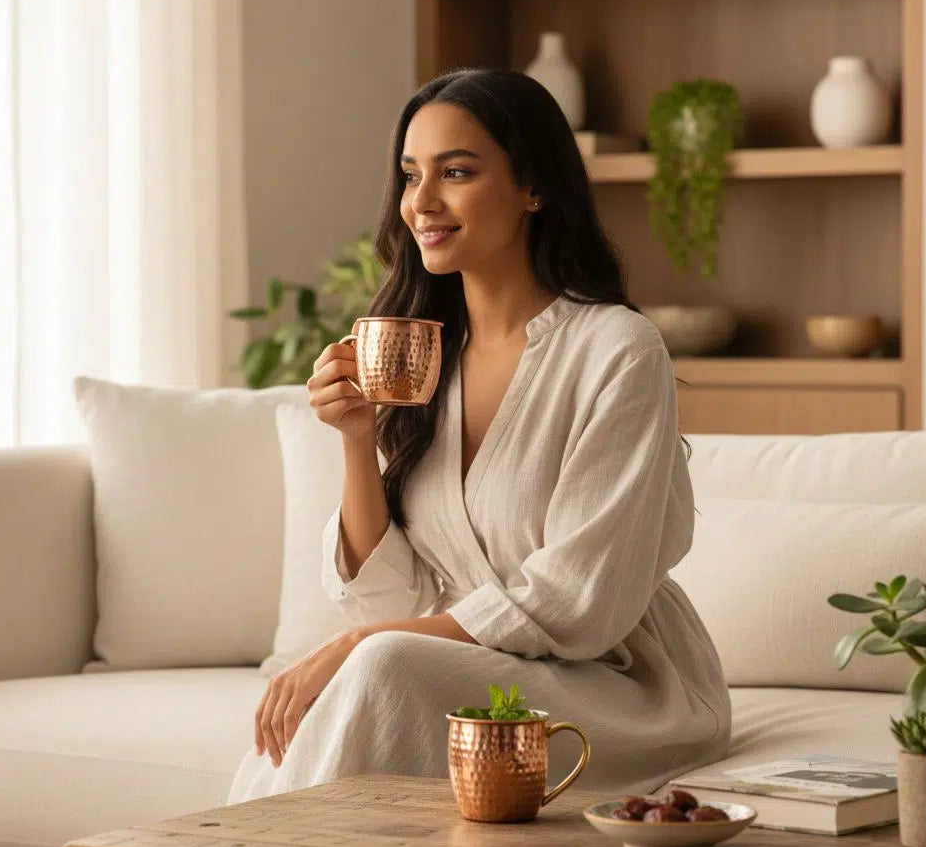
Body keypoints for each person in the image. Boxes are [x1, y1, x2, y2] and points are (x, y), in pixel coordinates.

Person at [226, 68, 731, 805]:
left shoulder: (617, 351)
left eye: (456, 172)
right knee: (383, 665)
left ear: (533, 186)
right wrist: (356, 439)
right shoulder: (420, 352)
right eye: (410, 175)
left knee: (381, 667)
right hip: (473, 671)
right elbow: (386, 601)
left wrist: (353, 648)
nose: (421, 203)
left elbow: (578, 605)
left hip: (611, 688)